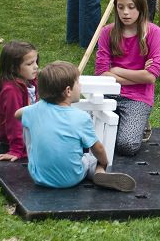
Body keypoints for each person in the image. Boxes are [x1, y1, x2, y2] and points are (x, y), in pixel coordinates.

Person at [18, 61, 136, 191]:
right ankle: (99, 173)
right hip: (71, 179)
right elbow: (98, 148)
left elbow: (17, 114)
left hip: (39, 177)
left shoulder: (33, 111)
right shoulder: (81, 117)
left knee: (27, 124)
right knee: (90, 159)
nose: (81, 86)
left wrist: (33, 112)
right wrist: (104, 163)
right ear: (68, 91)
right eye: (78, 83)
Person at [95, 0, 160, 156]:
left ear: (140, 8)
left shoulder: (153, 32)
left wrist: (116, 69)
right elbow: (102, 73)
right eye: (121, 7)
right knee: (89, 141)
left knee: (126, 146)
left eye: (131, 7)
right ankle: (122, 125)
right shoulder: (107, 32)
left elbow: (151, 76)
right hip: (108, 93)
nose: (125, 12)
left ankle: (137, 124)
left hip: (137, 97)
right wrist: (138, 76)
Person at [0, 41, 38, 161]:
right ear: (13, 68)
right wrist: (16, 150)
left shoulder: (29, 80)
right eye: (30, 64)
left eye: (36, 61)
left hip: (28, 127)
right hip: (11, 136)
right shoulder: (11, 90)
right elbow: (13, 121)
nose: (36, 66)